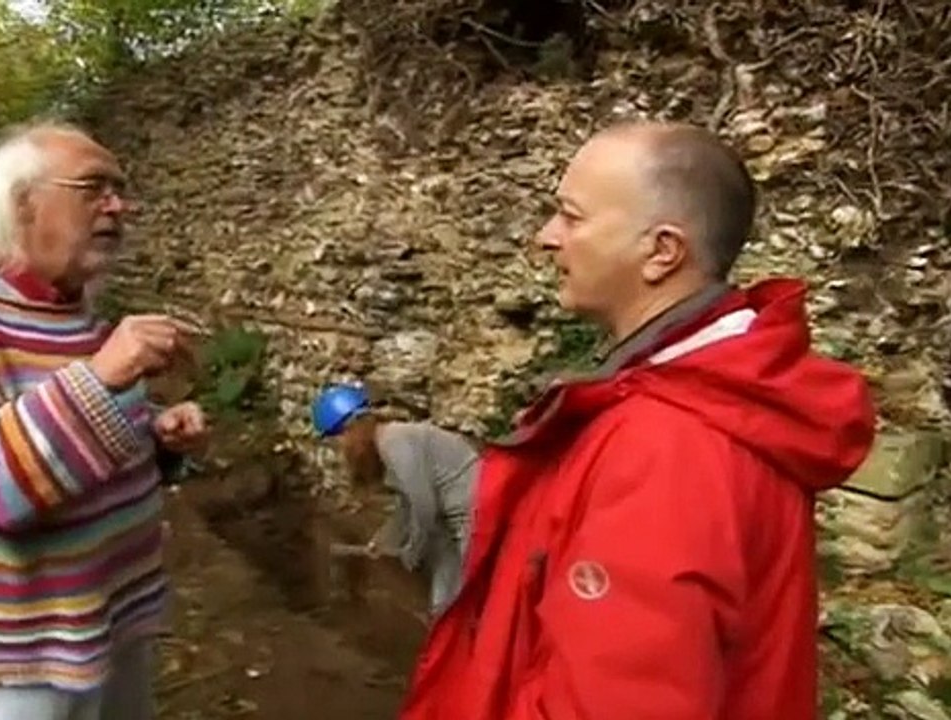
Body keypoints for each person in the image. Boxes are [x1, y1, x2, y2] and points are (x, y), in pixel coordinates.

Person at [399, 121, 876, 720]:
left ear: (662, 252)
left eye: (571, 217)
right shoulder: (718, 402)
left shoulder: (665, 449)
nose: (548, 237)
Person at [0, 121, 209, 720]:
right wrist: (102, 377)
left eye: (121, 189)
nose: (118, 205)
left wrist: (152, 434)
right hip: (18, 664)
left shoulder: (75, 312)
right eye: (94, 187)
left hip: (110, 626)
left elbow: (69, 436)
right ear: (22, 202)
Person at [310, 383, 479, 617]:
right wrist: (384, 539)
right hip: (448, 517)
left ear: (352, 428)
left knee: (470, 592)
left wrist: (412, 551)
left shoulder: (395, 442)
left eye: (338, 438)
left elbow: (423, 507)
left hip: (473, 511)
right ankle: (448, 633)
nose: (340, 447)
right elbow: (407, 504)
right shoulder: (385, 447)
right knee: (443, 603)